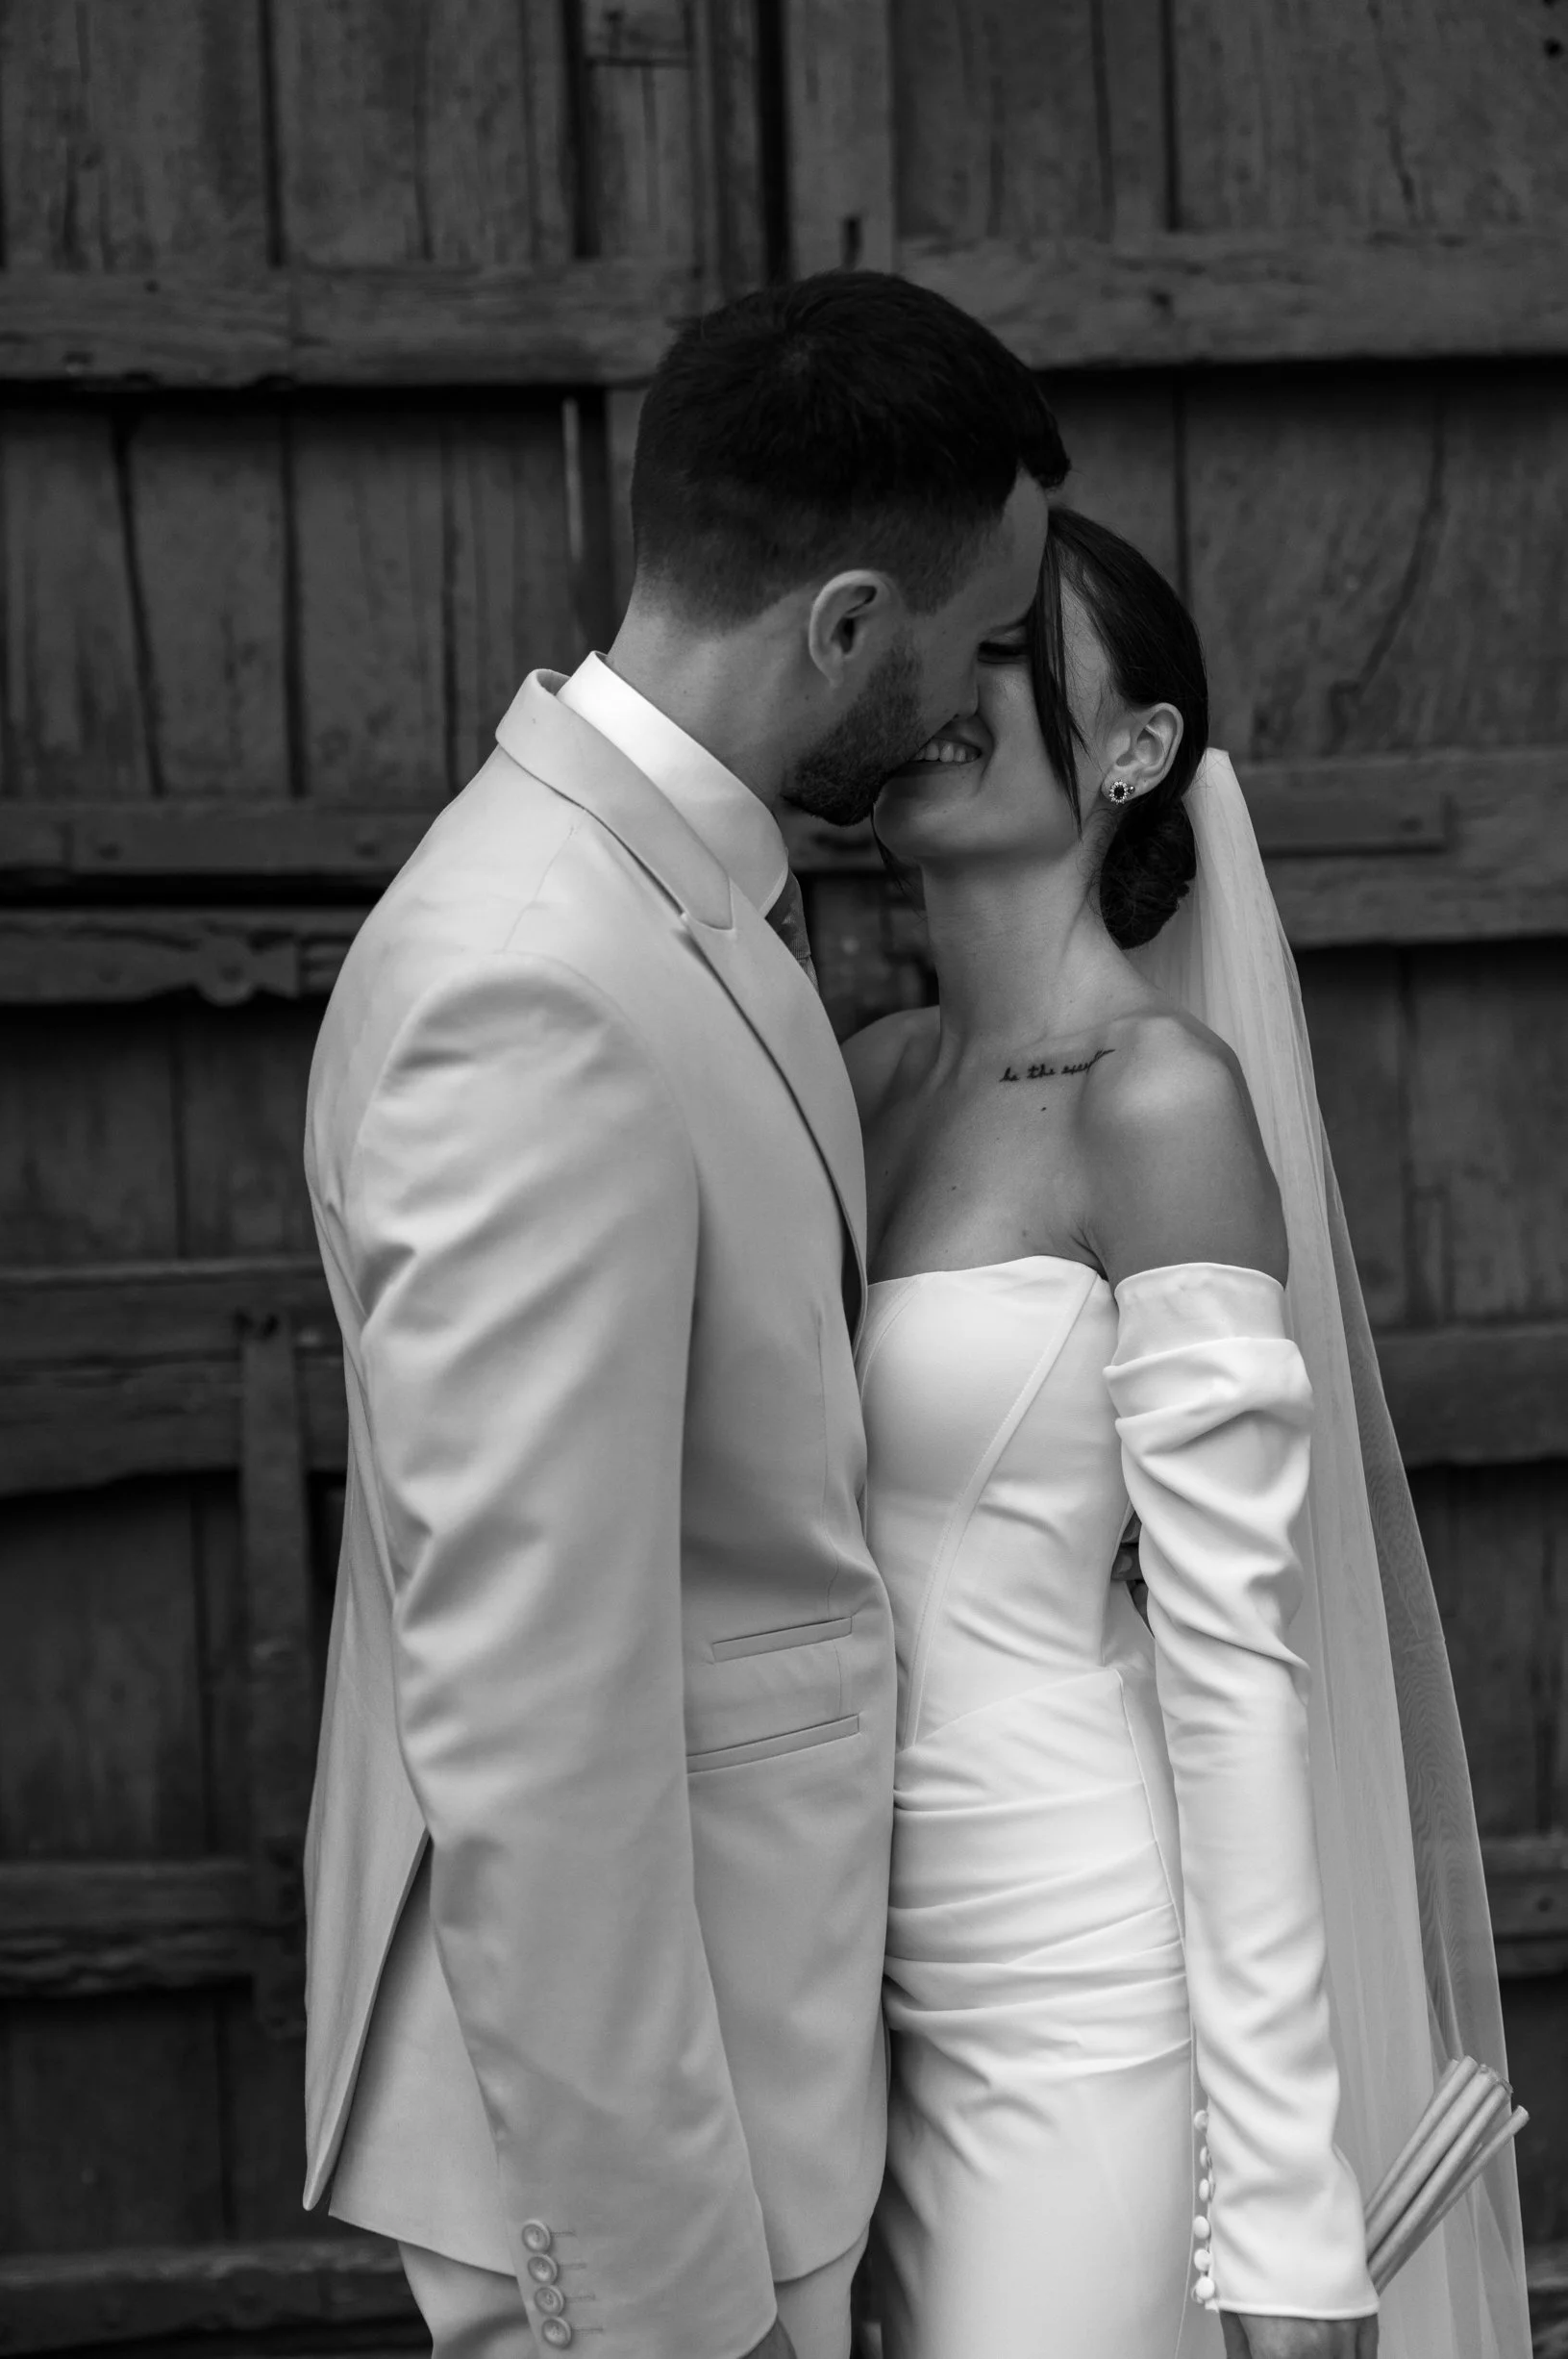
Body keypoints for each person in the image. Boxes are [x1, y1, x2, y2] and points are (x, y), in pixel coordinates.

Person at [298, 271, 1064, 2359]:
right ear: (838, 627)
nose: (993, 688)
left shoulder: (669, 894)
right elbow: (535, 1716)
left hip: (766, 2061)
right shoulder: (532, 981)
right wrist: (660, 2302)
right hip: (650, 2165)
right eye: (975, 640)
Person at [845, 510, 1531, 2359]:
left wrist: (1291, 2228)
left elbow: (1234, 1661)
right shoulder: (863, 1079)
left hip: (1070, 1995)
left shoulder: (1155, 1102)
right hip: (836, 1986)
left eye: (1003, 645)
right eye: (924, 641)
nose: (940, 682)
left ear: (1135, 749)